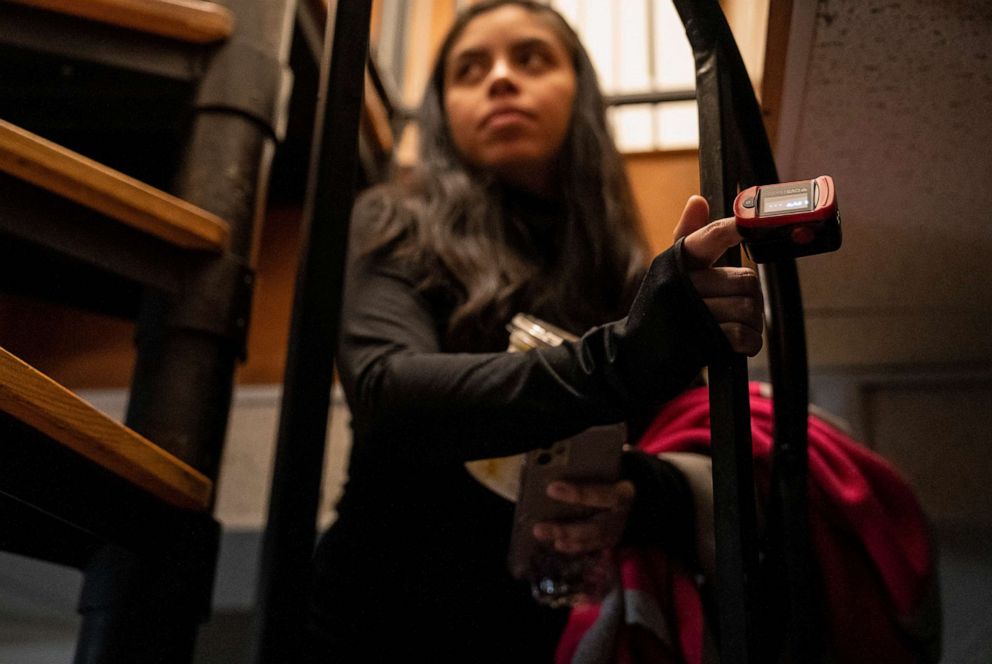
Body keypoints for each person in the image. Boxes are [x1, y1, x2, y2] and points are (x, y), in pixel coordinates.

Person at [305, 1, 762, 661]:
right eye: (469, 68)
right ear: (443, 111)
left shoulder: (628, 275)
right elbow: (388, 390)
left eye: (531, 59)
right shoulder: (392, 221)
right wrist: (623, 359)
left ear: (578, 93)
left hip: (561, 639)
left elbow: (687, 456)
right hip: (381, 624)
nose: (499, 78)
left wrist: (634, 494)